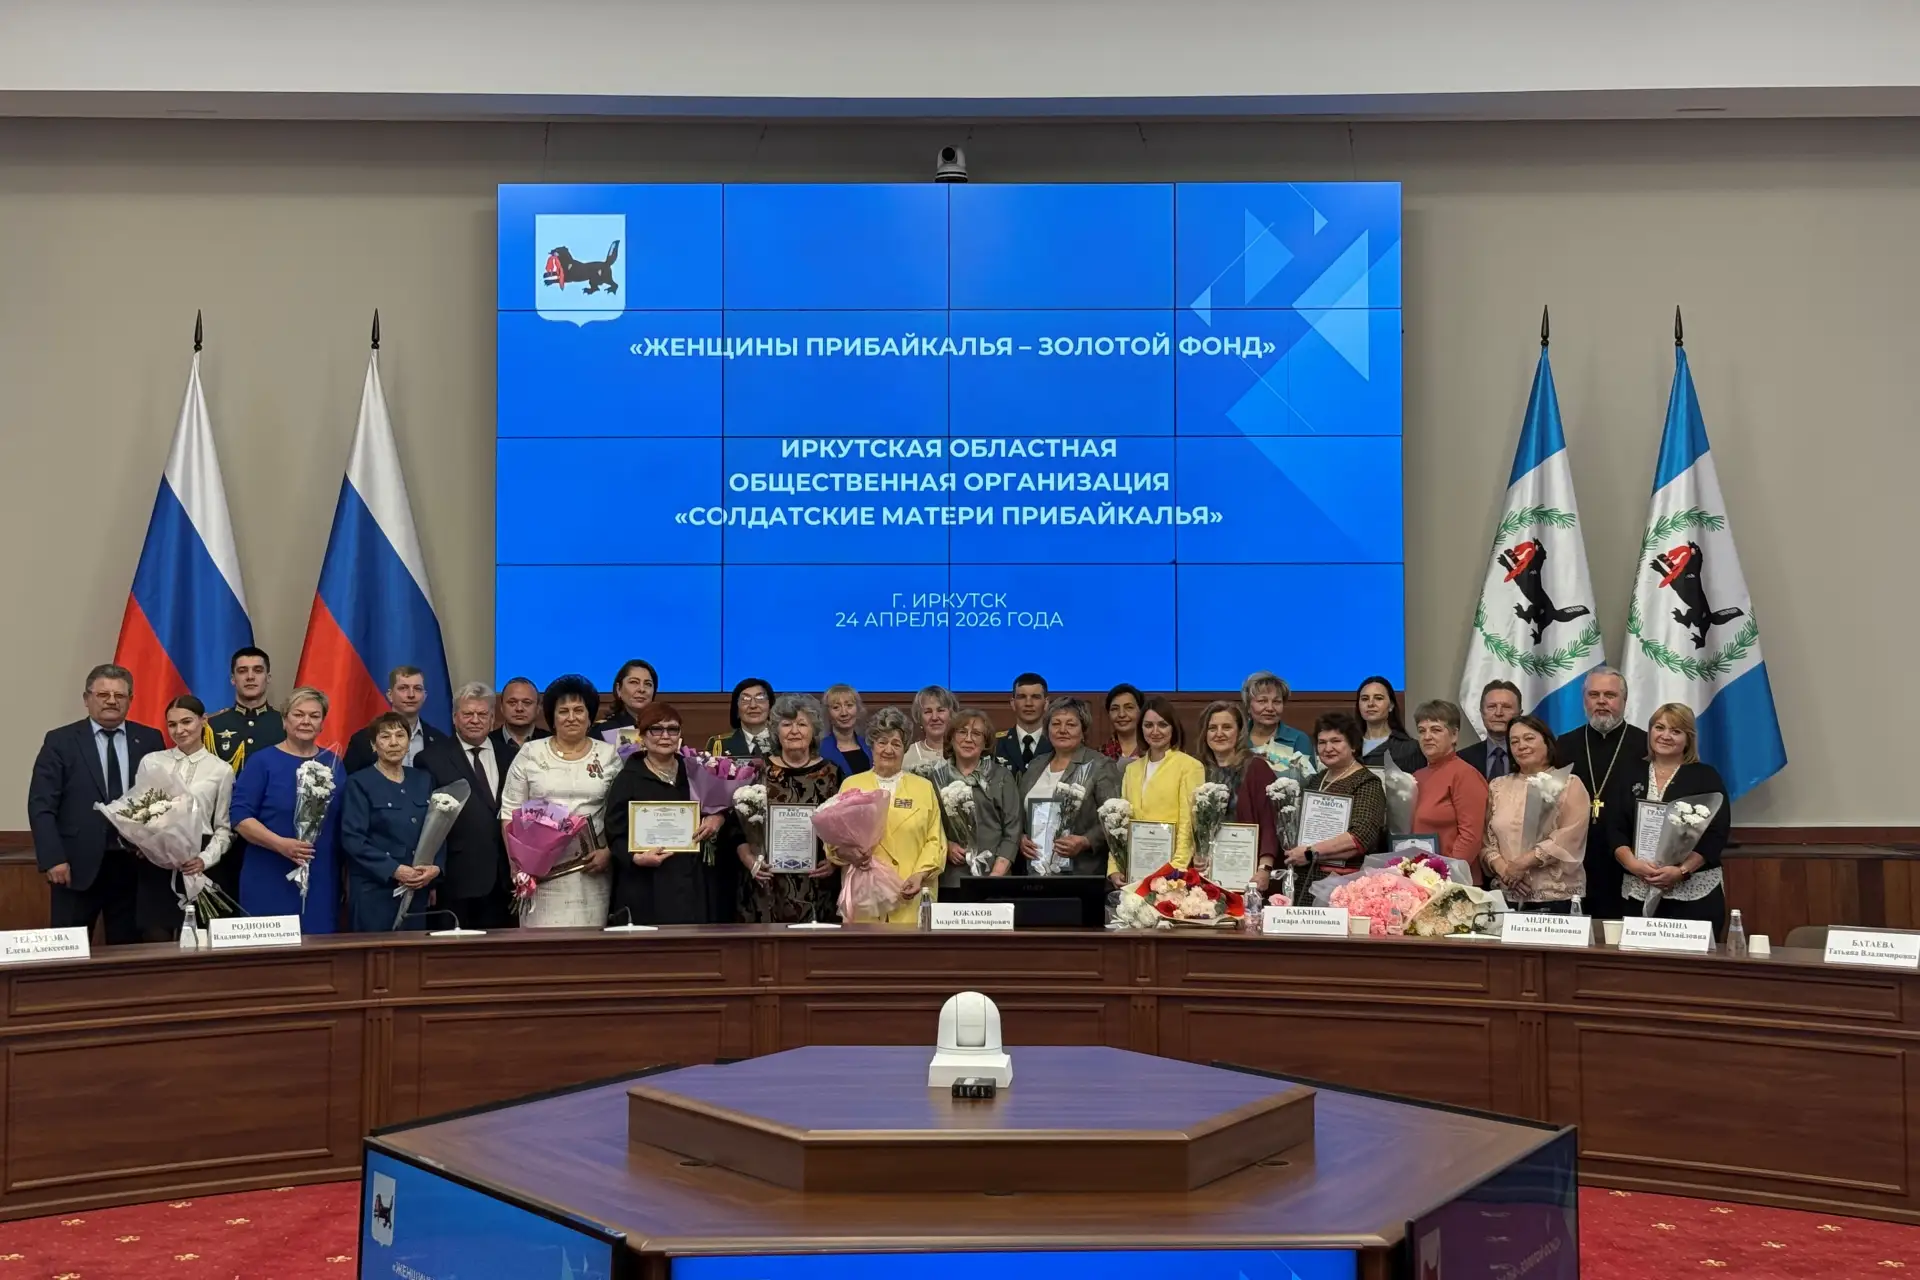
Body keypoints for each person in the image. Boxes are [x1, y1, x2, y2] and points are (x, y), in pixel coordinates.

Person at [28, 664, 167, 944]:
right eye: (103, 694)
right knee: (68, 950)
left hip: (133, 866)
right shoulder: (61, 741)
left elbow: (161, 798)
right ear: (87, 698)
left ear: (131, 700)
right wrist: (53, 858)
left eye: (120, 695)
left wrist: (153, 842)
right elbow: (41, 805)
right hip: (74, 867)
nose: (112, 701)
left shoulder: (150, 739)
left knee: (128, 953)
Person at [498, 674, 623, 928]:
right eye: (563, 711)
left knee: (587, 943)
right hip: (539, 874)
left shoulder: (608, 755)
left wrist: (609, 853)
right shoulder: (531, 753)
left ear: (590, 716)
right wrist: (517, 864)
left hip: (592, 870)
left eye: (579, 710)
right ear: (552, 718)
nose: (571, 717)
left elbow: (621, 813)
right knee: (541, 946)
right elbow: (510, 811)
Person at [1610, 703, 1732, 936]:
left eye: (1675, 731)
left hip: (1693, 894)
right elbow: (1614, 829)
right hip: (1638, 889)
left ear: (1688, 739)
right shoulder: (1628, 773)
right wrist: (1633, 865)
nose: (1665, 736)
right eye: (1659, 727)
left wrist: (1682, 871)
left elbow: (1716, 833)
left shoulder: (1706, 776)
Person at [604, 702, 730, 925]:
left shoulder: (695, 771)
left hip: (692, 880)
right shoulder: (627, 779)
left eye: (672, 729)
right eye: (656, 729)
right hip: (647, 884)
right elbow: (615, 833)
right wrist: (635, 858)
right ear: (642, 736)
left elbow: (719, 808)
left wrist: (718, 817)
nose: (665, 736)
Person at [231, 686, 342, 933]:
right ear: (284, 720)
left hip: (320, 877)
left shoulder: (334, 763)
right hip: (269, 874)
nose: (306, 721)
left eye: (314, 716)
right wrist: (280, 844)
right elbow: (240, 817)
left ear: (322, 724)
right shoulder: (262, 761)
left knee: (318, 947)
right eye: (298, 714)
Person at [130, 695, 237, 934]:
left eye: (187, 722)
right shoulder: (152, 762)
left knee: (201, 941)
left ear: (203, 721)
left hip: (199, 862)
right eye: (172, 724)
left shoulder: (221, 769)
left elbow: (223, 827)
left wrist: (205, 859)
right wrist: (144, 842)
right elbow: (138, 812)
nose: (179, 730)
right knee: (156, 939)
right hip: (157, 862)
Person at [827, 707, 944, 924]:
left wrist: (919, 875)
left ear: (905, 748)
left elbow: (935, 840)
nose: (888, 750)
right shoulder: (852, 785)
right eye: (882, 742)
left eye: (896, 743)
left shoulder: (923, 788)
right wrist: (850, 855)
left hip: (911, 895)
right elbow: (834, 842)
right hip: (866, 898)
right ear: (871, 745)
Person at [732, 694, 842, 923]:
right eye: (786, 724)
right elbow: (735, 827)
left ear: (814, 731)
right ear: (776, 731)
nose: (794, 731)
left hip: (816, 885)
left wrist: (835, 860)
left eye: (802, 724)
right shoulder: (756, 771)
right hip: (765, 884)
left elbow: (845, 830)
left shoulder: (832, 774)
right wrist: (750, 860)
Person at [418, 682, 519, 929]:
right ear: (455, 718)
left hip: (505, 880)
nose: (475, 720)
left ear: (492, 719)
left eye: (482, 714)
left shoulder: (511, 756)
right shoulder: (431, 759)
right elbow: (426, 824)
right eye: (468, 714)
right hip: (456, 879)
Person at [1559, 666, 1648, 920]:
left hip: (1628, 860)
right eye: (1593, 694)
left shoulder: (1645, 745)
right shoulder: (1564, 745)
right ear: (1584, 700)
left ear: (1624, 700)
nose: (1601, 701)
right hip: (1576, 859)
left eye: (1610, 695)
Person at [340, 711, 442, 932]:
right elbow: (353, 839)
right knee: (376, 952)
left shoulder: (423, 779)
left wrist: (435, 869)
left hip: (417, 889)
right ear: (373, 745)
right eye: (385, 737)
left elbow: (437, 829)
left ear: (409, 743)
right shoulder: (359, 783)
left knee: (414, 952)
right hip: (375, 892)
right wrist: (394, 869)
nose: (394, 742)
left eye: (400, 735)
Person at [1482, 715, 1590, 914]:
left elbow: (1569, 838)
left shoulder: (1569, 784)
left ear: (1547, 742)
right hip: (1507, 896)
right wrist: (1506, 872)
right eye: (1514, 742)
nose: (1521, 746)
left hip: (1555, 897)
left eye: (1529, 738)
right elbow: (1487, 842)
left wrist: (1522, 864)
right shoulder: (1498, 786)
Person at [1015, 697, 1122, 878]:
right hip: (1035, 873)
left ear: (1083, 730)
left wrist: (1086, 841)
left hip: (1081, 873)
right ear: (1047, 730)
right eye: (1056, 724)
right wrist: (1020, 838)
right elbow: (1017, 814)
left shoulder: (1100, 765)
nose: (1062, 730)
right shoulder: (1035, 765)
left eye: (1071, 724)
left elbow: (1115, 819)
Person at [1282, 712, 1387, 894]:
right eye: (1322, 742)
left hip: (1341, 885)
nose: (1328, 748)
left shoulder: (1367, 783)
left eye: (1336, 741)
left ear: (1353, 745)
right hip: (1305, 878)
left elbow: (1359, 838)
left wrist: (1310, 852)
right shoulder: (1316, 780)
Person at [1196, 700, 1280, 890]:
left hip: (1249, 874)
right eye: (1212, 728)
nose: (1219, 733)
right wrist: (1197, 854)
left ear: (1239, 732)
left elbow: (1270, 822)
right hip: (1207, 874)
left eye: (1227, 727)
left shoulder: (1256, 768)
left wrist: (1264, 868)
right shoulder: (1197, 770)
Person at [1118, 696, 1206, 878]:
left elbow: (1188, 823)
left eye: (1163, 725)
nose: (1155, 731)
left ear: (1174, 728)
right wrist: (1116, 867)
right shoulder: (1131, 769)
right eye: (1148, 725)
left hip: (1172, 870)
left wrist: (1176, 868)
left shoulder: (1190, 766)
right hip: (1135, 867)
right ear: (1141, 729)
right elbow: (1120, 822)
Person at [937, 708, 1022, 885]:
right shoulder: (936, 778)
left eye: (976, 733)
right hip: (951, 879)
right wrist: (946, 846)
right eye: (962, 732)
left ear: (985, 742)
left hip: (995, 877)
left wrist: (996, 876)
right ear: (951, 738)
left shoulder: (1002, 777)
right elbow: (928, 829)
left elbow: (1013, 831)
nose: (968, 739)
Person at [1411, 699, 1490, 883]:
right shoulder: (1416, 776)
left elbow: (1471, 837)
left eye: (1436, 730)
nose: (1427, 736)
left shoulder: (1465, 775)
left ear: (1454, 735)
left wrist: (1445, 876)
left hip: (1453, 883)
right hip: (1419, 879)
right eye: (1422, 731)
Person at [342, 666, 446, 775]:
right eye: (403, 688)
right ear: (390, 695)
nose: (411, 695)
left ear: (424, 696)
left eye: (417, 688)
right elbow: (350, 781)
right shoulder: (363, 740)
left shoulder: (439, 741)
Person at [204, 646, 283, 774]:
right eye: (242, 671)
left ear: (268, 678)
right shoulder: (211, 726)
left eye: (258, 670)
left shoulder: (285, 724)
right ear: (233, 679)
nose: (250, 677)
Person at [1243, 671, 1316, 766]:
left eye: (1276, 702)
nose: (1270, 708)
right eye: (1262, 701)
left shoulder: (1298, 739)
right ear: (1248, 706)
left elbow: (1309, 774)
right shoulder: (1238, 738)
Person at [1355, 675, 1424, 773]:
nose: (1370, 704)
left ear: (1391, 705)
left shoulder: (1410, 748)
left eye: (1378, 698)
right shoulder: (1347, 746)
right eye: (1365, 699)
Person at [1460, 680, 1522, 780]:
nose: (1498, 713)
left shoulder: (1532, 757)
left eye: (1506, 707)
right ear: (1482, 713)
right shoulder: (1462, 759)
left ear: (1519, 714)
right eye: (1491, 707)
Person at [994, 672, 1052, 772]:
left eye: (1035, 697)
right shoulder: (996, 744)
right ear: (1013, 703)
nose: (1028, 703)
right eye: (1022, 697)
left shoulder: (1056, 743)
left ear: (1046, 703)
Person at [708, 677, 774, 758]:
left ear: (771, 706)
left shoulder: (782, 742)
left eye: (760, 698)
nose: (753, 705)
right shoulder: (719, 744)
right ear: (736, 708)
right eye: (745, 699)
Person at [903, 685, 957, 772]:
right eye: (928, 712)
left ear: (951, 714)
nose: (934, 717)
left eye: (940, 710)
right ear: (919, 717)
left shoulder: (964, 751)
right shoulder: (906, 755)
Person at [819, 683, 870, 776]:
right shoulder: (820, 750)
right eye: (836, 707)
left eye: (849, 705)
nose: (844, 713)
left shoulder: (870, 746)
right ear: (828, 713)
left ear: (857, 709)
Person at [598, 659, 658, 734]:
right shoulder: (604, 730)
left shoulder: (663, 727)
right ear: (618, 689)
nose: (642, 689)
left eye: (648, 684)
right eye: (634, 682)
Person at [492, 676, 548, 749]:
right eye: (512, 702)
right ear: (502, 707)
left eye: (527, 703)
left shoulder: (550, 742)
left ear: (538, 708)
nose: (519, 708)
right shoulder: (487, 742)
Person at [1100, 683, 1145, 766]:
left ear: (1141, 711)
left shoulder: (1153, 751)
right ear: (1108, 714)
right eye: (1115, 709)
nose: (1121, 714)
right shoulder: (1100, 755)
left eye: (1129, 707)